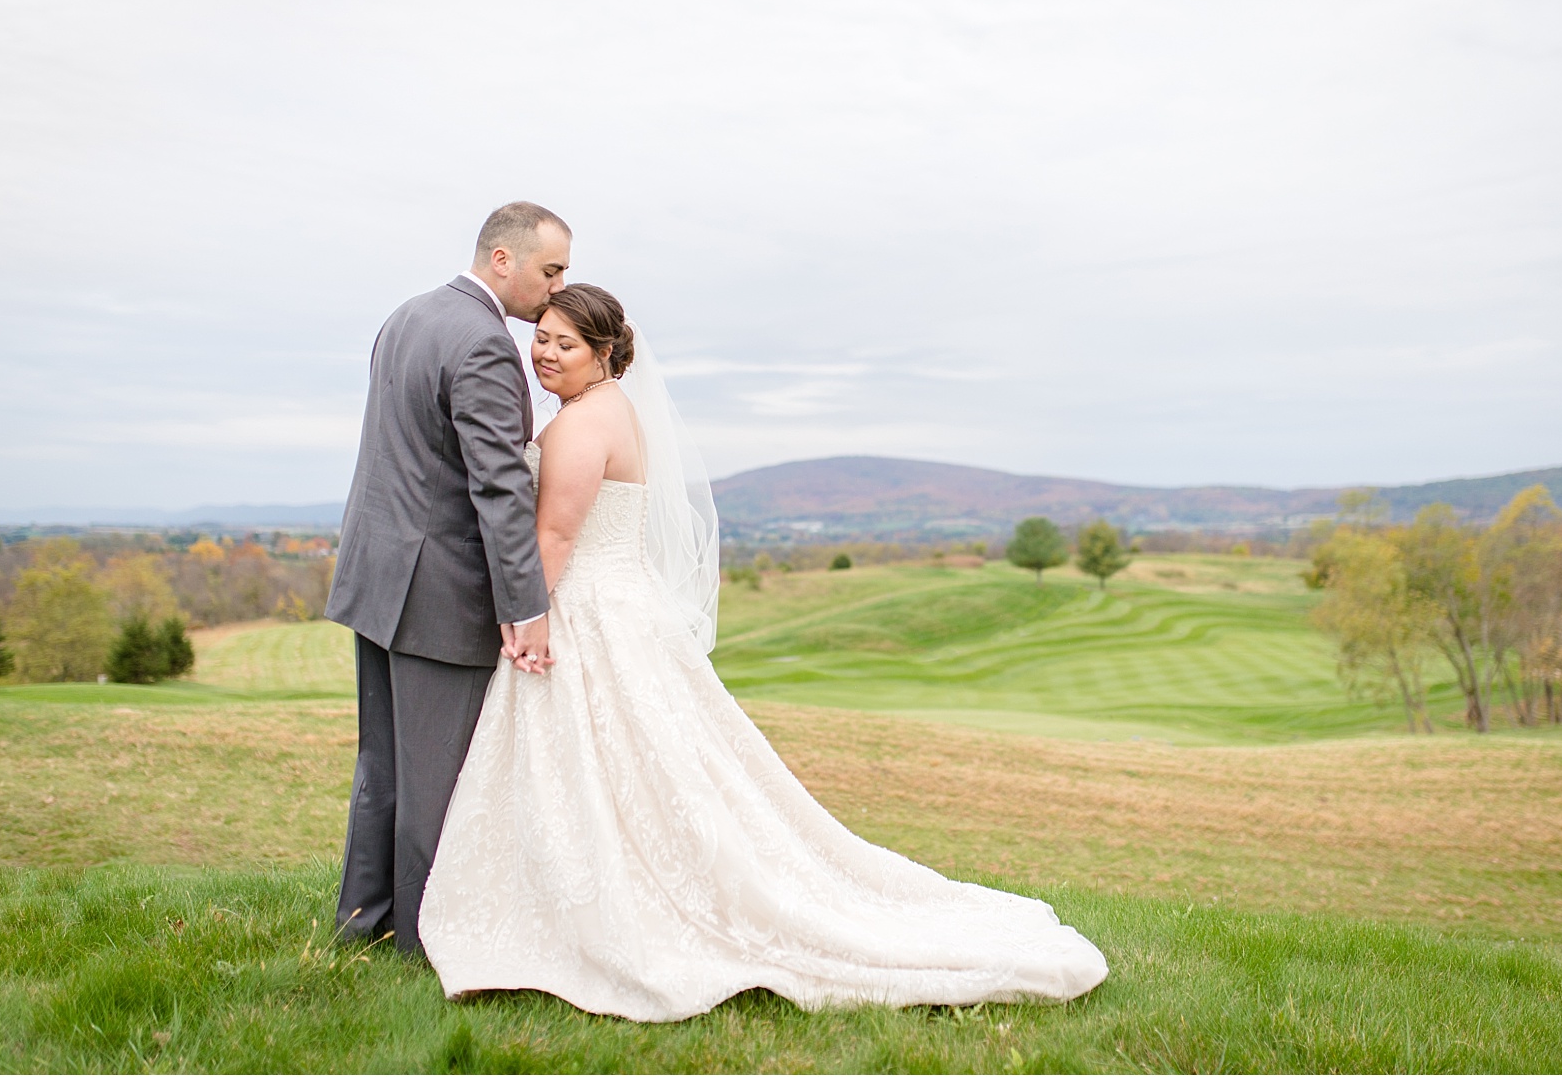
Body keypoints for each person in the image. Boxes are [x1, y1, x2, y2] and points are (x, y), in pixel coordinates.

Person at [418, 283, 1108, 1021]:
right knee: (626, 768)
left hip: (586, 608)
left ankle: (602, 914)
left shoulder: (584, 424)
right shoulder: (607, 410)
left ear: (606, 354)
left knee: (608, 765)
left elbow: (554, 536)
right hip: (619, 603)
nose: (545, 353)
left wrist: (527, 618)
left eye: (565, 344)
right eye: (543, 338)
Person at [323, 201, 570, 955]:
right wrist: (525, 605)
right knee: (437, 779)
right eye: (550, 269)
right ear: (503, 259)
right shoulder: (485, 343)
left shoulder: (407, 316)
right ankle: (427, 943)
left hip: (377, 577)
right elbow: (497, 487)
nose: (557, 288)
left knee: (384, 765)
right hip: (438, 591)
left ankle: (364, 922)